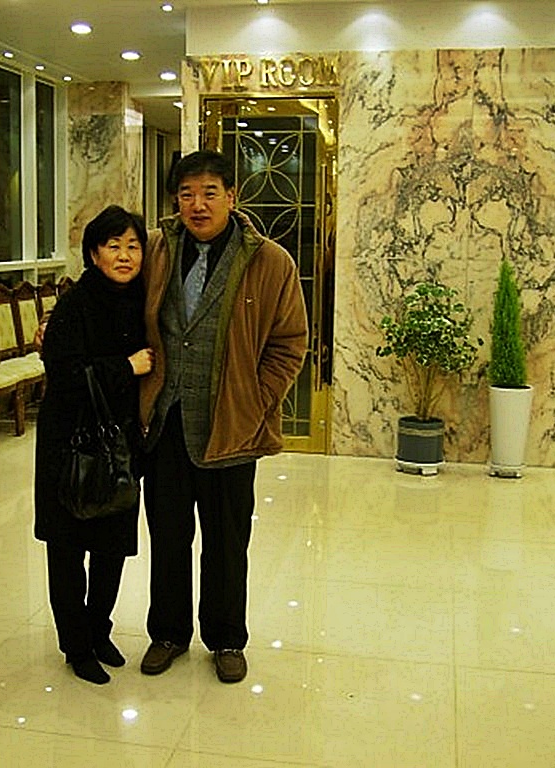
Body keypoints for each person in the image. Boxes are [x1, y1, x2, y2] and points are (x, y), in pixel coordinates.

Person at [138, 150, 308, 683]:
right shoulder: (155, 250)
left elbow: (290, 342)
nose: (198, 204)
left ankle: (227, 638)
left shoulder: (270, 261)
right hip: (165, 424)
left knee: (227, 542)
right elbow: (109, 295)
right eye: (186, 194)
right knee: (168, 537)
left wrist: (256, 400)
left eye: (209, 193)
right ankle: (168, 633)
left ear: (232, 198)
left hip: (231, 426)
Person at [34, 205, 154, 685]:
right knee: (67, 548)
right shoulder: (75, 305)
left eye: (133, 246)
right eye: (113, 246)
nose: (125, 256)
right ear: (93, 253)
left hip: (120, 443)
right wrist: (125, 367)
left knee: (111, 547)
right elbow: (64, 376)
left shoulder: (143, 301)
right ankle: (76, 645)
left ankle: (99, 630)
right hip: (70, 444)